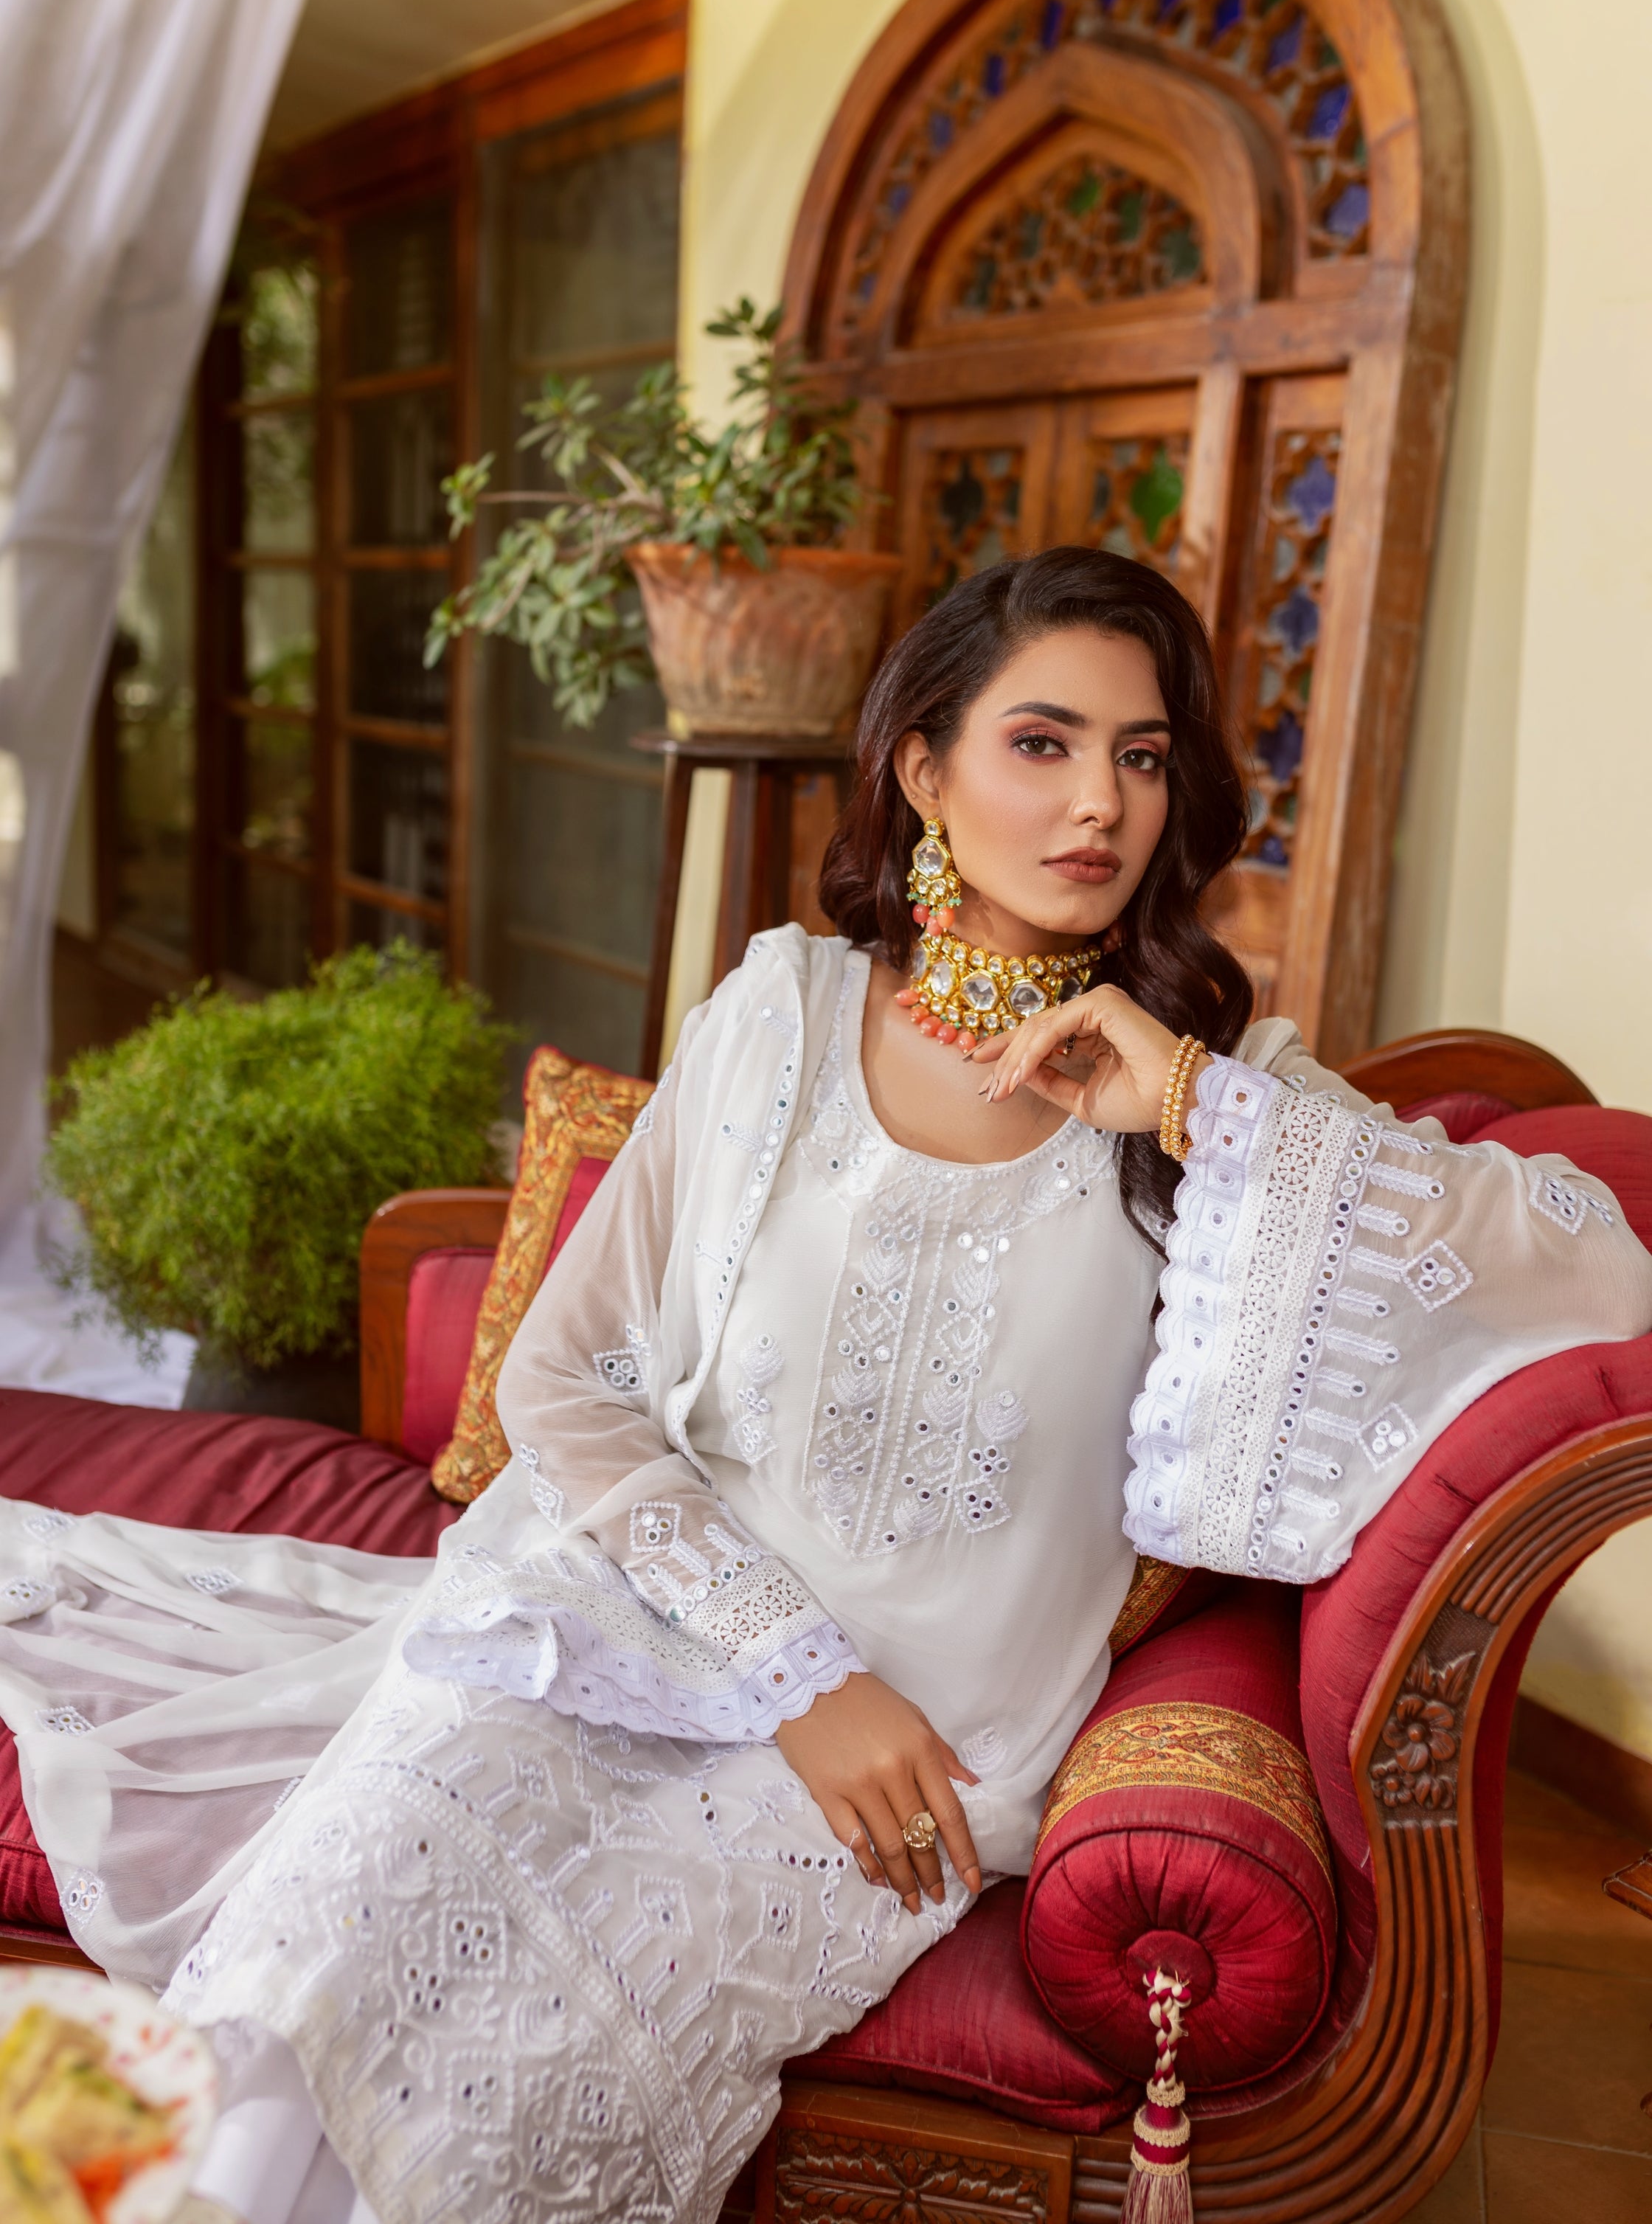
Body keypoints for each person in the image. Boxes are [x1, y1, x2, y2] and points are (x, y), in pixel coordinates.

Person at [0, 549, 1645, 2224]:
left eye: (1141, 758)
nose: (1099, 804)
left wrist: (1196, 1108)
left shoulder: (1230, 1115)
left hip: (922, 1770)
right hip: (623, 1628)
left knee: (524, 2068)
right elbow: (570, 1379)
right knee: (323, 1938)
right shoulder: (779, 1008)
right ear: (924, 769)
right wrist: (798, 1672)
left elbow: (1593, 1262)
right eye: (1043, 743)